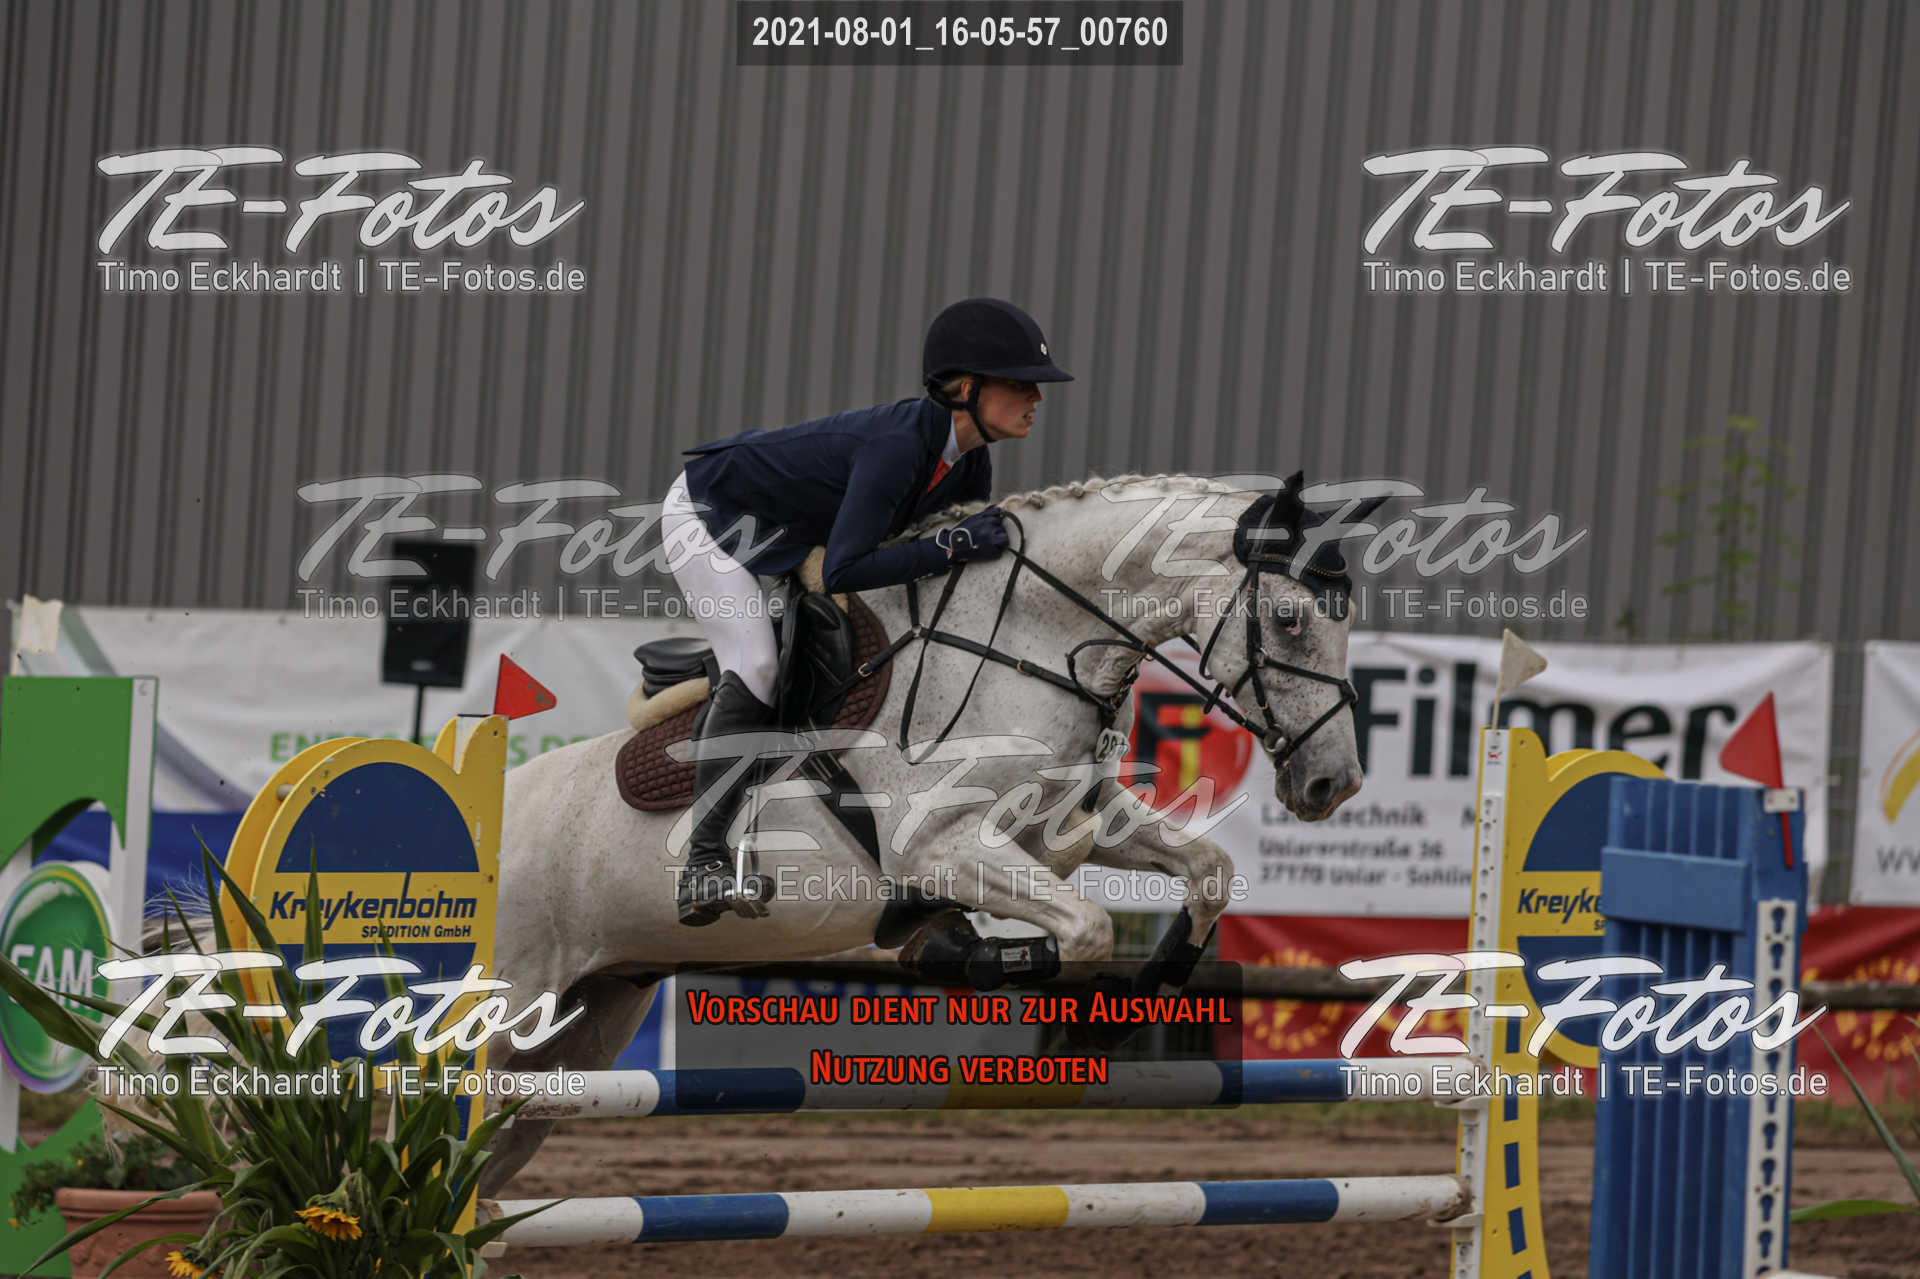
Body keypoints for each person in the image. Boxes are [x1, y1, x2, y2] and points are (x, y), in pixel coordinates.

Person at [659, 297, 1073, 925]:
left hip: (792, 527)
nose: (1036, 397)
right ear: (967, 389)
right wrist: (953, 545)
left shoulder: (969, 462)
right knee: (758, 665)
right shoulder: (898, 447)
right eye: (1021, 383)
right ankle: (704, 862)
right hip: (710, 515)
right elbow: (845, 571)